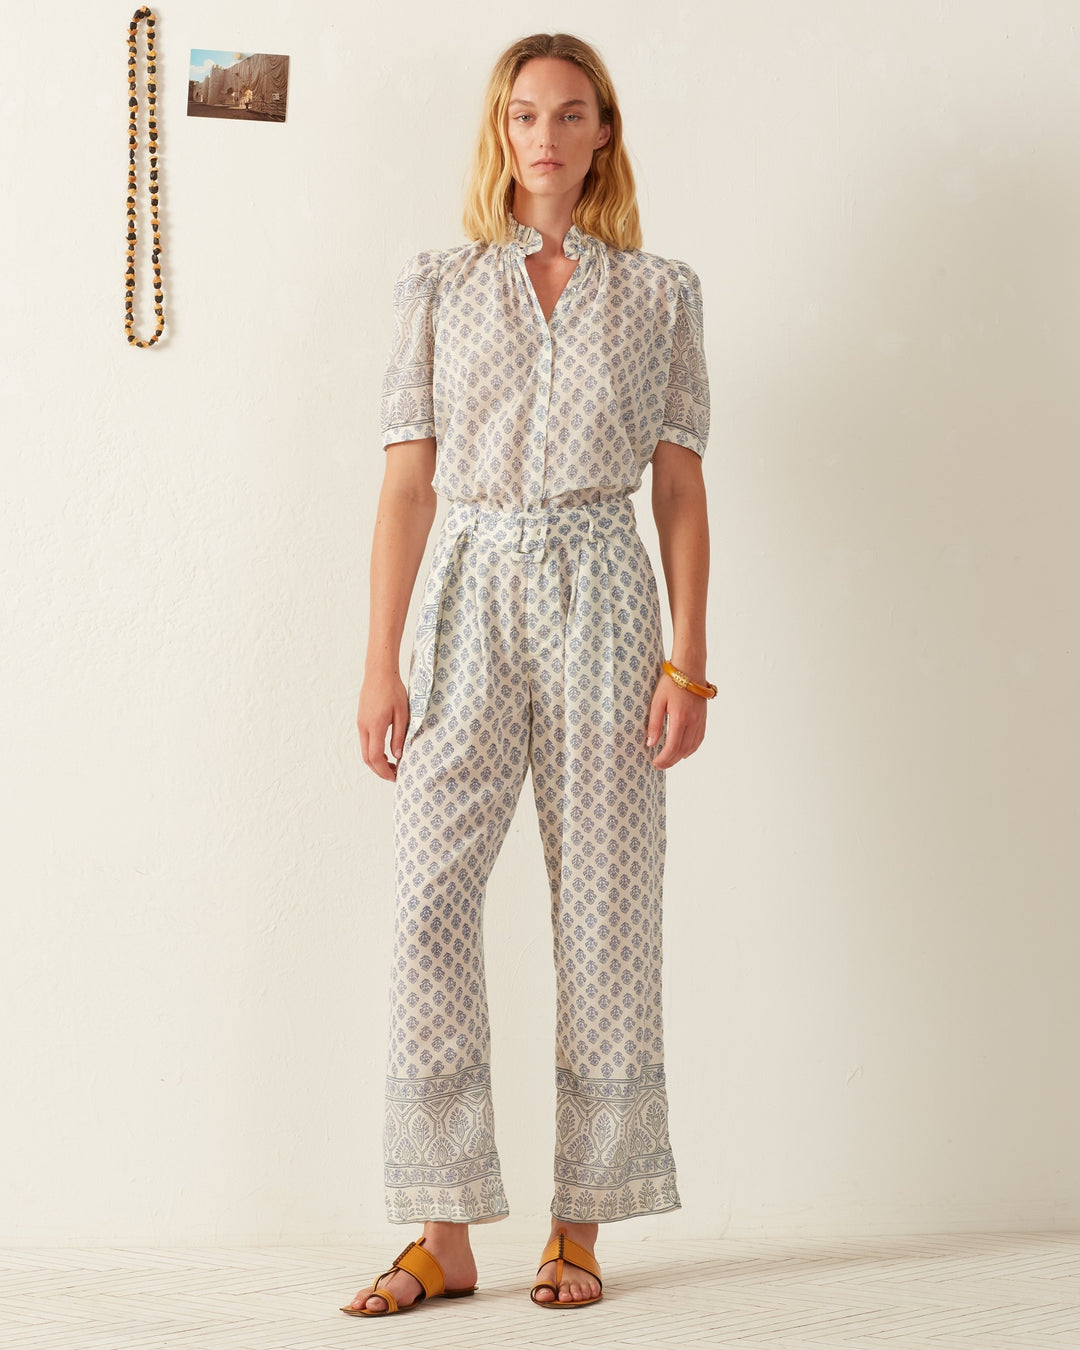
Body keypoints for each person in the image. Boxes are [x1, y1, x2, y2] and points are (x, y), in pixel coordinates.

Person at [344, 31, 712, 1316]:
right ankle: (441, 1233)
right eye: (521, 116)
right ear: (499, 134)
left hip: (606, 593)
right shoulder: (438, 284)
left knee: (607, 912)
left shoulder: (661, 292)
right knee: (428, 902)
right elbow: (405, 485)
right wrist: (380, 663)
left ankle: (579, 1226)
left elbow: (677, 487)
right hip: (470, 589)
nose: (543, 138)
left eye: (568, 115)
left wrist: (690, 661)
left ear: (603, 131)